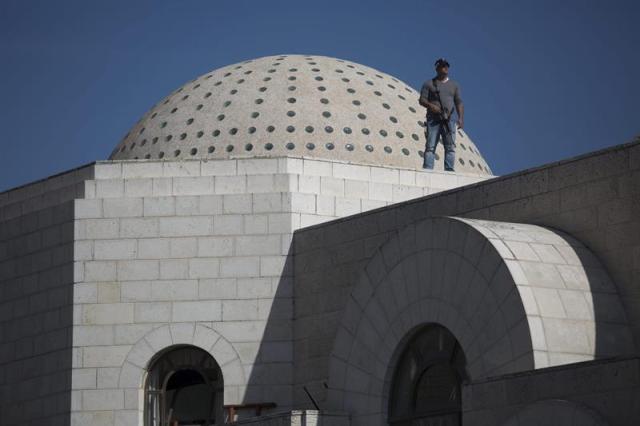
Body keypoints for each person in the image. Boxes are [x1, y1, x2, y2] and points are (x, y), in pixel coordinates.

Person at [419, 58, 464, 171]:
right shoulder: (429, 84)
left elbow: (458, 102)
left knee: (450, 147)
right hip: (433, 120)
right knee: (430, 146)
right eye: (443, 66)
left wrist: (460, 118)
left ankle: (449, 170)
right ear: (437, 68)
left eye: (446, 66)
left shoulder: (454, 85)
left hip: (448, 120)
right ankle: (428, 169)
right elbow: (422, 100)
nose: (445, 68)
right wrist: (431, 106)